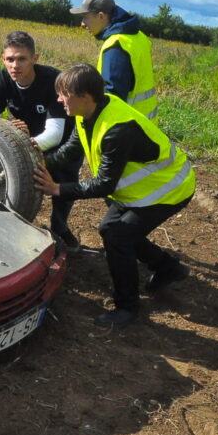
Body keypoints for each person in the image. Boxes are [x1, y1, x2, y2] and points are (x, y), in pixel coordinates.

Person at [33, 64, 195, 328]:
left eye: (64, 94)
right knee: (113, 230)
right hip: (143, 191)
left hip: (168, 189)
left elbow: (104, 185)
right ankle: (169, 269)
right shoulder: (87, 112)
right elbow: (72, 149)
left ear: (85, 96)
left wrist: (58, 189)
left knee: (117, 235)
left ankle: (127, 308)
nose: (59, 100)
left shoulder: (118, 130)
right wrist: (35, 164)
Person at [0, 31, 81, 250]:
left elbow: (55, 133)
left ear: (34, 58)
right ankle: (8, 223)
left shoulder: (53, 80)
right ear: (3, 58)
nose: (15, 65)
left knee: (63, 185)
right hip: (28, 137)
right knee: (11, 175)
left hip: (64, 143)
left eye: (22, 59)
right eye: (10, 59)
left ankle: (60, 227)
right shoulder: (1, 80)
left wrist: (20, 144)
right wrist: (10, 131)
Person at [70, 0, 158, 121]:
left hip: (127, 126)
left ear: (101, 16)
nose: (82, 24)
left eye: (85, 17)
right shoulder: (139, 37)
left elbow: (112, 98)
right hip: (145, 124)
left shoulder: (116, 46)